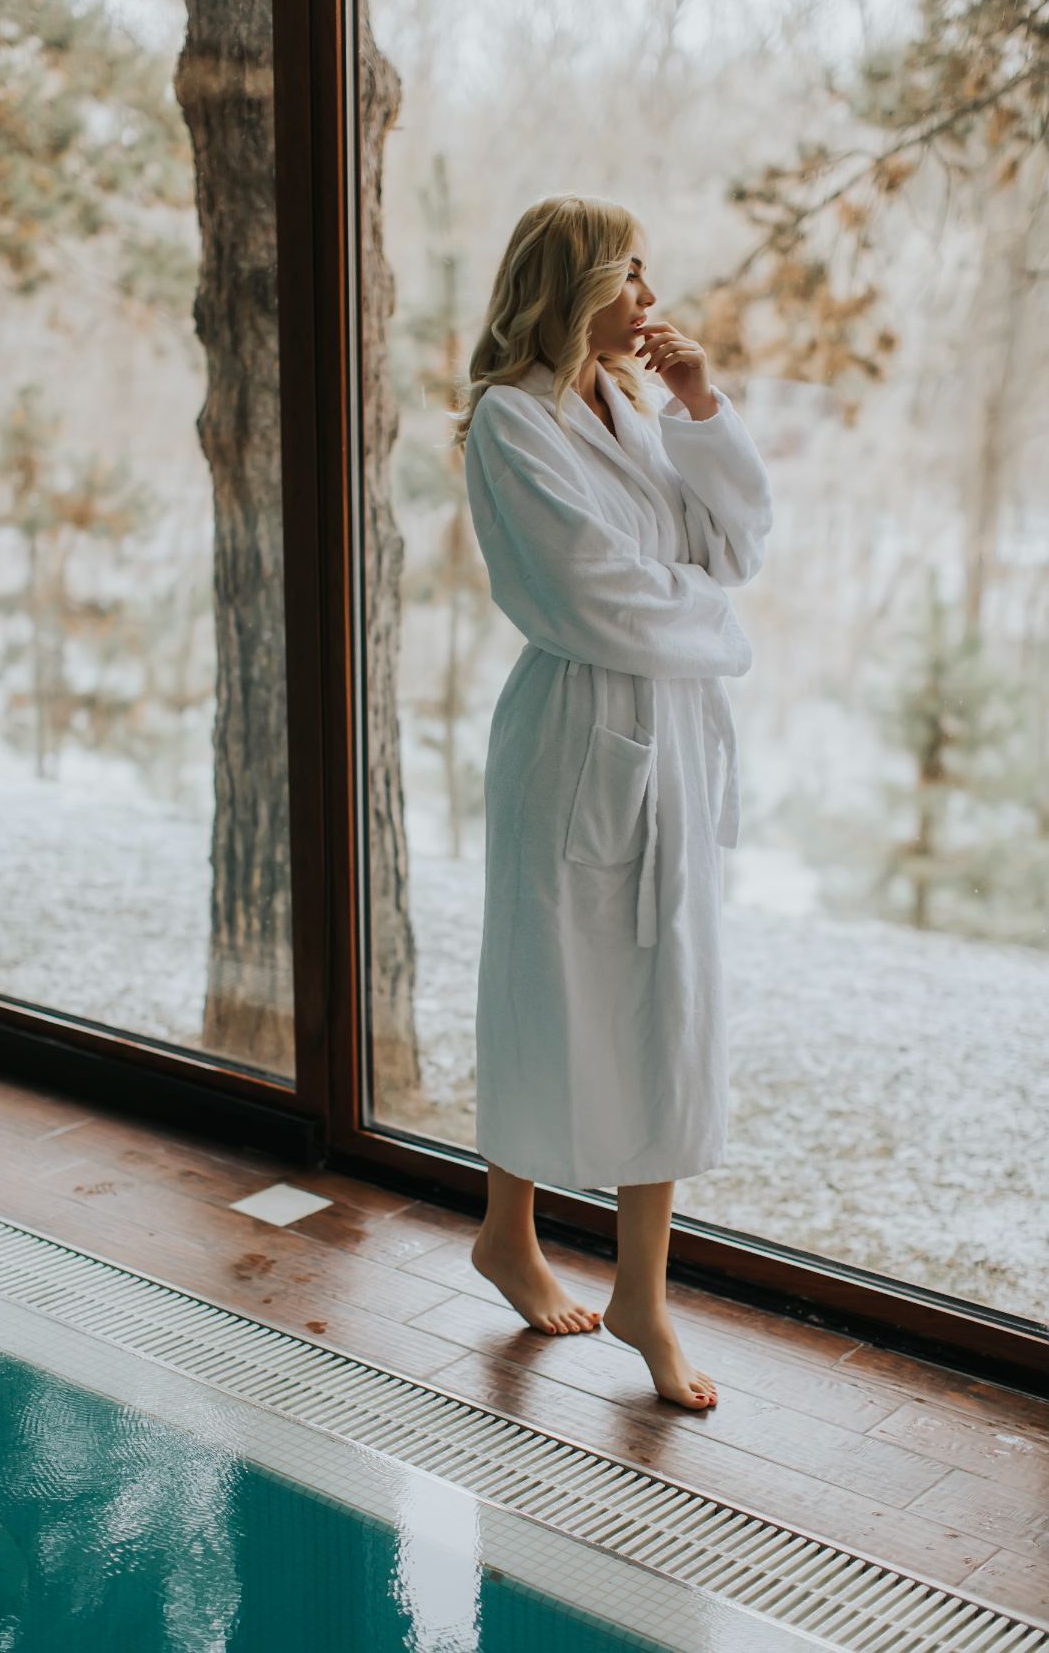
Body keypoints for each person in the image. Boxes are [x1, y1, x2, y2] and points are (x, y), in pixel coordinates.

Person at [449, 194, 774, 1410]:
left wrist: (702, 407)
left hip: (664, 742)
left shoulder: (630, 409)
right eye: (627, 276)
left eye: (648, 275)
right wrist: (711, 626)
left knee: (668, 1006)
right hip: (577, 741)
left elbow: (729, 551)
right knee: (550, 995)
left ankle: (642, 1292)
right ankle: (509, 1235)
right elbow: (590, 595)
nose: (649, 298)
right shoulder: (509, 422)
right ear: (571, 286)